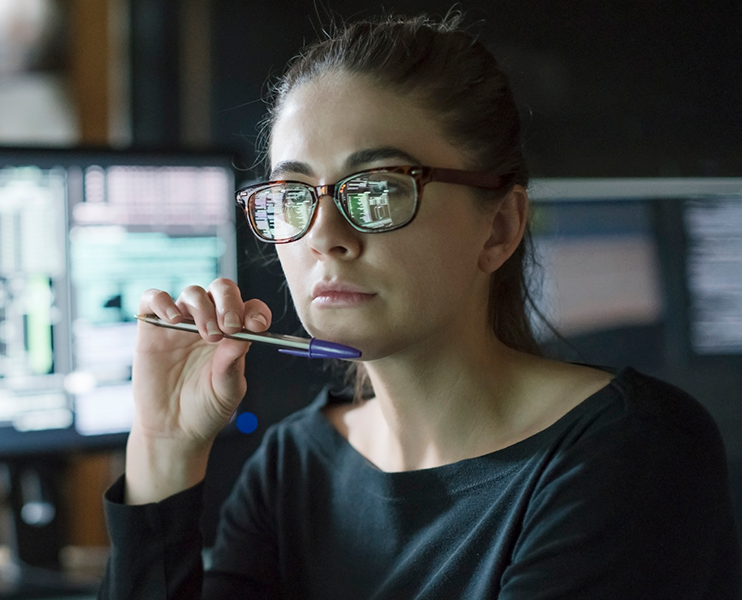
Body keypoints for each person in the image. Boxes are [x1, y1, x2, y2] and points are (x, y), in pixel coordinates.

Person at [98, 13, 740, 600]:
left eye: (377, 189)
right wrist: (165, 448)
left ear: (499, 229)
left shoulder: (634, 455)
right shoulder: (294, 467)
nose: (325, 236)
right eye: (292, 194)